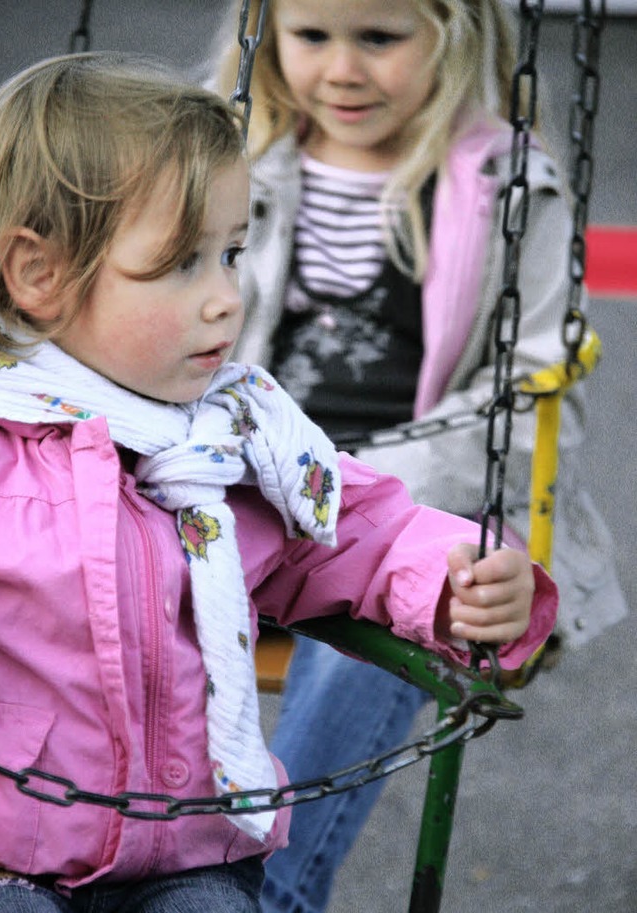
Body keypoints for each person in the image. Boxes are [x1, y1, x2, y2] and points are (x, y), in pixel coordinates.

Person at [0, 52, 558, 912]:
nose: (228, 296)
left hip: (191, 851)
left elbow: (360, 531)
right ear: (38, 274)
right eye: (184, 264)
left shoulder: (238, 434)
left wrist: (460, 575)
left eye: (231, 254)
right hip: (16, 855)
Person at [214, 0, 628, 911]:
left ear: (454, 33)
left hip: (419, 497)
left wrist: (349, 483)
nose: (342, 71)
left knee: (406, 599)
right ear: (267, 36)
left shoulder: (512, 186)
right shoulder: (234, 160)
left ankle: (267, 893)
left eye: (379, 38)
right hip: (245, 480)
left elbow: (526, 398)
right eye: (312, 37)